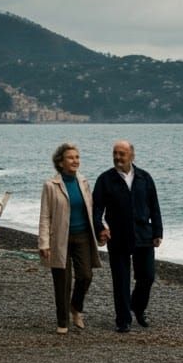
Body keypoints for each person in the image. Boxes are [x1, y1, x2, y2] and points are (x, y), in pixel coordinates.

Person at [92, 139, 163, 333]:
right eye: (115, 153)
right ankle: (123, 320)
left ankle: (138, 308)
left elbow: (154, 207)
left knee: (147, 276)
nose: (117, 157)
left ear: (131, 155)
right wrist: (100, 228)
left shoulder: (145, 178)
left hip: (143, 235)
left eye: (121, 154)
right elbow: (96, 209)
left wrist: (158, 232)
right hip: (118, 235)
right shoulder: (105, 179)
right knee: (121, 280)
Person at [38, 143, 101, 334]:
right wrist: (43, 242)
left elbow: (91, 210)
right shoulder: (51, 185)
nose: (75, 161)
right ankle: (63, 322)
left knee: (86, 276)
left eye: (77, 157)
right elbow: (45, 215)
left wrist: (101, 230)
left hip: (82, 236)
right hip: (60, 238)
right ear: (60, 162)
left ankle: (76, 307)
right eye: (71, 158)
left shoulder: (83, 182)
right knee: (62, 281)